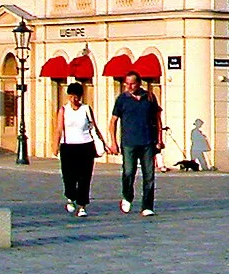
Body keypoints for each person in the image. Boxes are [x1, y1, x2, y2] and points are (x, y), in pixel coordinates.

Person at [110, 72, 164, 216]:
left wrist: (159, 139)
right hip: (129, 142)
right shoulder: (122, 99)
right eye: (127, 83)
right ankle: (127, 196)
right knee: (128, 172)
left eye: (132, 83)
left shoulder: (150, 98)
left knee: (149, 175)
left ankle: (147, 206)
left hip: (147, 142)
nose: (129, 86)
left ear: (139, 83)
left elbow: (157, 119)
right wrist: (113, 142)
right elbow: (113, 121)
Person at [54, 82, 106, 217]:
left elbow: (94, 127)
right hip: (68, 146)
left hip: (85, 145)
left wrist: (103, 143)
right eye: (71, 96)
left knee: (84, 177)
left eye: (76, 96)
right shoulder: (63, 110)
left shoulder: (86, 109)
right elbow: (59, 128)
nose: (74, 100)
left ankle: (82, 205)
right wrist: (55, 145)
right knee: (69, 175)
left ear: (81, 96)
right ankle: (70, 197)